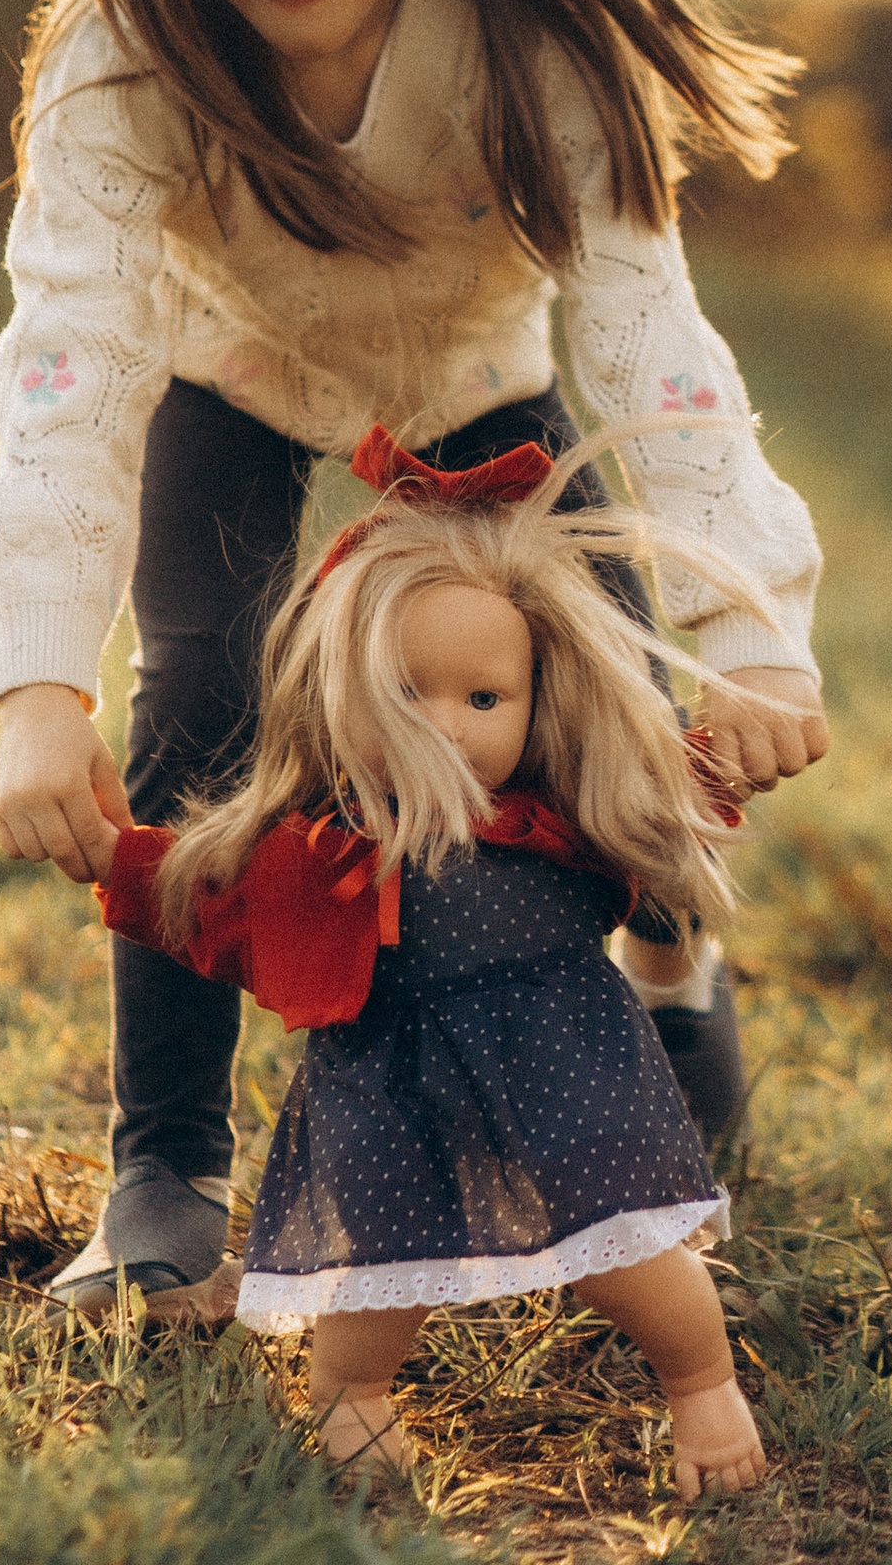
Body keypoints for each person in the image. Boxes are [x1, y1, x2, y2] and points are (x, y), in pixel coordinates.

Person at [0, 0, 829, 1325]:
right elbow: (67, 365)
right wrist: (37, 687)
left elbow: (651, 347)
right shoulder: (123, 61)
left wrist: (749, 634)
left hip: (481, 381)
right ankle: (168, 1165)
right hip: (242, 378)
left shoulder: (537, 45)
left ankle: (658, 985)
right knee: (205, 702)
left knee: (578, 725)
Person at [96, 434, 767, 1496]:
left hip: (571, 1085)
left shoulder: (566, 822)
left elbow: (673, 811)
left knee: (639, 1263)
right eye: (407, 696)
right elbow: (206, 897)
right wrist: (107, 854)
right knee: (373, 1279)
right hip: (389, 1100)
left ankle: (702, 1389)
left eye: (483, 699)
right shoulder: (322, 855)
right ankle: (351, 1399)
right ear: (340, 695)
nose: (447, 729)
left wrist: (726, 751)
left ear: (538, 697)